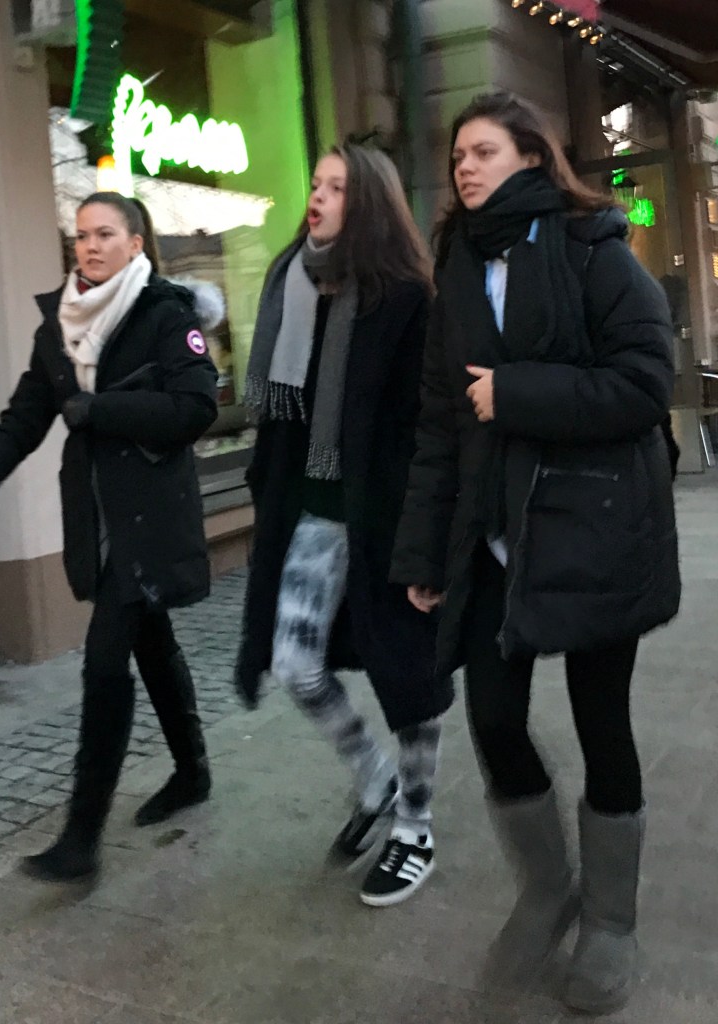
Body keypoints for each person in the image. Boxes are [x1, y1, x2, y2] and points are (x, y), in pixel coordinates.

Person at [390, 92, 680, 1012]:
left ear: (530, 156)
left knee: (603, 726)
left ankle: (611, 921)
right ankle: (548, 888)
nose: (464, 167)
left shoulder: (594, 249)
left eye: (483, 151)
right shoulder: (456, 266)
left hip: (596, 530)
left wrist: (518, 393)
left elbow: (646, 380)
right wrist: (423, 554)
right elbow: (440, 423)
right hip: (495, 537)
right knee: (494, 719)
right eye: (457, 155)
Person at [0, 191, 221, 882]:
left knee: (105, 662)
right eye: (81, 235)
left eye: (104, 234)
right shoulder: (60, 325)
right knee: (150, 640)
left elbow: (195, 407)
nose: (89, 247)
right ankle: (192, 771)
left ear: (136, 243)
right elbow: (22, 420)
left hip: (149, 518)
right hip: (96, 520)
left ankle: (81, 836)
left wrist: (102, 409)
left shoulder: (165, 313)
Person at [234, 144, 453, 907]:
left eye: (336, 186)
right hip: (312, 518)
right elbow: (280, 422)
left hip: (387, 523)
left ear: (368, 203)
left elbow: (431, 432)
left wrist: (428, 544)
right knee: (295, 664)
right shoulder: (294, 286)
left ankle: (415, 828)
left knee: (411, 684)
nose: (317, 196)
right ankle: (374, 777)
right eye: (316, 184)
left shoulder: (407, 301)